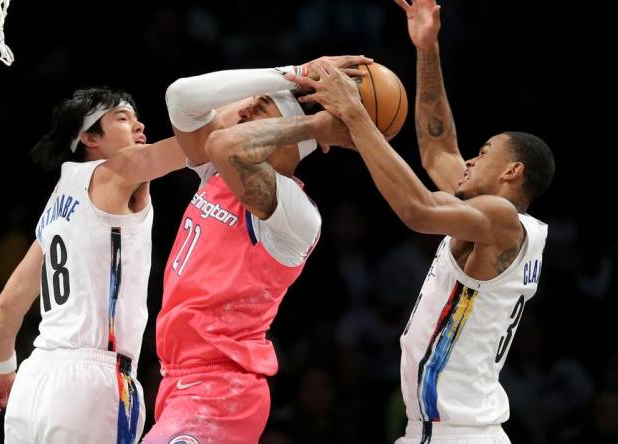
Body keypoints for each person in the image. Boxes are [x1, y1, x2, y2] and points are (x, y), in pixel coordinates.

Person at [287, 6, 555, 439]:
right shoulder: (485, 218)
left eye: (485, 153)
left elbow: (419, 210)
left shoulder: (503, 219)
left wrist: (356, 116)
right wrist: (427, 48)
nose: (470, 159)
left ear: (512, 172)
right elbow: (437, 150)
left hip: (456, 431)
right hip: (450, 429)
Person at [142, 56, 369, 444]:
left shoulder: (297, 216)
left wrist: (315, 123)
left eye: (257, 107)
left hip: (224, 389)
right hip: (178, 380)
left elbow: (225, 143)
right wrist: (296, 73)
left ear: (288, 133)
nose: (241, 109)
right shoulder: (216, 172)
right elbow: (180, 96)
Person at [0, 86, 186, 443]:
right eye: (123, 119)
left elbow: (10, 300)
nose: (139, 127)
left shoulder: (58, 203)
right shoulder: (117, 171)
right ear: (89, 137)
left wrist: (0, 369)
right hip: (92, 384)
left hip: (34, 379)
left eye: (138, 120)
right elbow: (201, 145)